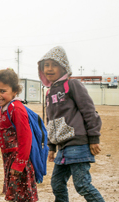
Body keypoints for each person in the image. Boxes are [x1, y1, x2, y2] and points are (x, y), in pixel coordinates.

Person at [38, 46, 104, 202]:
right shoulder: (49, 92)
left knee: (82, 185)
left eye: (54, 64)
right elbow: (51, 120)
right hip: (62, 147)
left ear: (64, 67)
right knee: (57, 184)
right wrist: (51, 147)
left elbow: (89, 110)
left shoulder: (72, 85)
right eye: (46, 65)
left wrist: (94, 137)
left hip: (78, 144)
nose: (50, 69)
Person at [0, 69, 38, 202]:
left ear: (15, 91)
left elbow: (26, 138)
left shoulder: (16, 108)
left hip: (18, 159)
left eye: (3, 91)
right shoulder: (3, 107)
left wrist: (19, 164)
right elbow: (0, 130)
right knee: (15, 195)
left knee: (20, 196)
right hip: (9, 157)